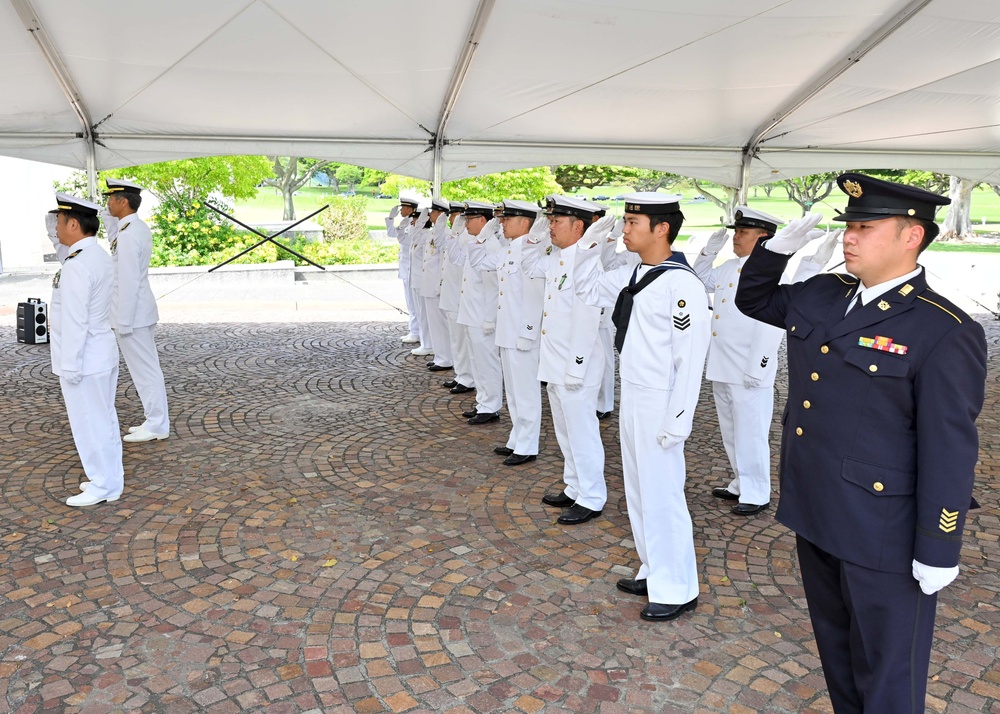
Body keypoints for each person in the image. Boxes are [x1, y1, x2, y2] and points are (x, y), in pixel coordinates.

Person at [735, 173, 988, 714]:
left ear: (911, 236)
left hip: (884, 533)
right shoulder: (825, 294)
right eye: (848, 225)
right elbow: (754, 300)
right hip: (817, 510)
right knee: (839, 657)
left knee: (888, 674)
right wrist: (773, 251)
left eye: (865, 227)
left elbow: (950, 447)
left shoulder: (944, 328)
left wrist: (939, 545)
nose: (848, 236)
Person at [574, 192, 711, 621]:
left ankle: (678, 587)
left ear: (662, 228)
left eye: (633, 222)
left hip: (661, 401)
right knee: (638, 490)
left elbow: (690, 361)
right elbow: (584, 288)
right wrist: (588, 245)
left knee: (664, 493)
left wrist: (678, 420)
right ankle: (655, 569)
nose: (625, 229)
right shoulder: (635, 272)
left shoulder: (682, 284)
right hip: (634, 393)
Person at [694, 207, 838, 514]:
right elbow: (700, 279)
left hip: (748, 365)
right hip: (723, 362)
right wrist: (709, 251)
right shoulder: (730, 266)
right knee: (731, 430)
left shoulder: (773, 275)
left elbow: (771, 324)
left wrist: (759, 365)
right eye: (736, 231)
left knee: (751, 432)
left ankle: (757, 492)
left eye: (743, 232)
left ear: (763, 238)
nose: (736, 236)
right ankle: (740, 482)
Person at [524, 196, 613, 523]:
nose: (550, 226)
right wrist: (535, 235)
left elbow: (588, 319)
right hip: (555, 362)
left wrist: (575, 365)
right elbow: (529, 266)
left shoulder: (586, 262)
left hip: (578, 364)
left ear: (578, 226)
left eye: (555, 221)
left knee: (582, 432)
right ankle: (574, 486)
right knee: (565, 430)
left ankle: (591, 496)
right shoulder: (559, 257)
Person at [46, 193, 124, 507]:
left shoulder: (77, 266)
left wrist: (70, 366)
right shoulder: (97, 256)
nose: (55, 227)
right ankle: (109, 479)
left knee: (89, 422)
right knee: (103, 418)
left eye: (60, 221)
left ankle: (103, 485)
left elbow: (75, 321)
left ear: (74, 224)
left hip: (84, 359)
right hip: (100, 353)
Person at [467, 200, 545, 463]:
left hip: (522, 335)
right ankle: (517, 438)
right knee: (513, 391)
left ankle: (527, 445)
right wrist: (482, 237)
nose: (501, 223)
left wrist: (528, 332)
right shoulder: (509, 250)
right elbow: (478, 262)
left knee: (525, 392)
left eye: (507, 219)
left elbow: (535, 297)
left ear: (525, 222)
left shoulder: (533, 251)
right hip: (507, 332)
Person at [102, 179, 170, 443]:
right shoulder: (131, 228)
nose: (107, 203)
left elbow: (128, 279)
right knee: (146, 370)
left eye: (111, 198)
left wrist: (124, 320)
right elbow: (112, 238)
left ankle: (156, 424)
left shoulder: (130, 234)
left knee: (145, 372)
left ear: (124, 201)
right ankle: (154, 419)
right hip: (138, 312)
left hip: (133, 315)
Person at [455, 201, 504, 424]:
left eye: (470, 219)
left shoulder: (491, 246)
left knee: (487, 362)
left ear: (483, 221)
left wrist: (489, 319)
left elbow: (493, 287)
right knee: (476, 361)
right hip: (471, 313)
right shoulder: (475, 243)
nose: (465, 224)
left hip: (482, 316)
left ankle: (491, 406)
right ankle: (483, 401)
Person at [439, 202, 475, 393]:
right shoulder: (456, 235)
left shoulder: (469, 238)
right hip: (451, 293)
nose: (453, 219)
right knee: (456, 339)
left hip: (459, 296)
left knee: (462, 340)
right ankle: (461, 373)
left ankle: (467, 377)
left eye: (457, 216)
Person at [420, 198, 454, 372]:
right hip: (428, 283)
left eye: (433, 212)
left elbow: (443, 262)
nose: (430, 215)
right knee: (434, 323)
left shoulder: (445, 234)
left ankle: (446, 358)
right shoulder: (432, 233)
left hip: (436, 285)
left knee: (441, 323)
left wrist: (440, 284)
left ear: (441, 214)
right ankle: (439, 355)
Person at [386, 194, 420, 344]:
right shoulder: (406, 222)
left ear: (411, 210)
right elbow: (391, 233)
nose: (401, 210)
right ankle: (413, 330)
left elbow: (406, 242)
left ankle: (416, 332)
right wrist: (391, 219)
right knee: (410, 302)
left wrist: (400, 226)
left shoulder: (416, 224)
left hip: (413, 269)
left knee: (414, 303)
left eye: (404, 208)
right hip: (406, 268)